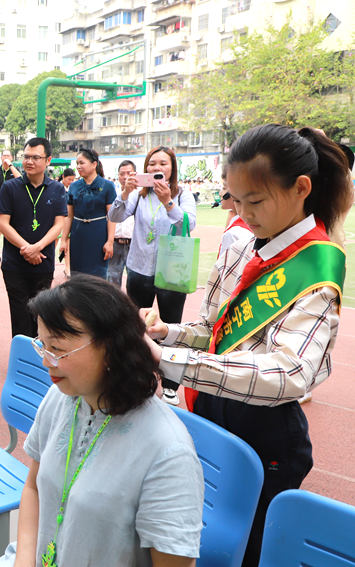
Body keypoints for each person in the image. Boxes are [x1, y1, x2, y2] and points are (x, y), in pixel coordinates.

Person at [145, 124, 350, 567]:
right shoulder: (241, 242)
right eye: (234, 200)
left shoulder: (318, 265)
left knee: (249, 550)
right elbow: (213, 330)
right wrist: (167, 332)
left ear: (301, 189)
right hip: (211, 411)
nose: (243, 213)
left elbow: (290, 374)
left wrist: (171, 360)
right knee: (196, 532)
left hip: (264, 435)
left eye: (254, 201)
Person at [0, 275, 203, 567]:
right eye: (43, 346)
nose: (46, 361)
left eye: (59, 349)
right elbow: (34, 488)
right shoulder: (62, 397)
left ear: (110, 347)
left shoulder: (167, 452)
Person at [107, 146, 196, 406]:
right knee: (136, 326)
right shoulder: (139, 194)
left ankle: (170, 386)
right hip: (139, 268)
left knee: (171, 329)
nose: (157, 169)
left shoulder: (183, 194)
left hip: (172, 272)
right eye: (152, 164)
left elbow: (187, 224)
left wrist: (168, 201)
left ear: (173, 168)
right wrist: (124, 192)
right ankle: (140, 377)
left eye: (163, 164)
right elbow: (114, 215)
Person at [0, 138, 67, 338]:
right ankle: (20, 363)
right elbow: (3, 223)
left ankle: (38, 363)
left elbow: (59, 224)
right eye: (26, 157)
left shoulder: (57, 188)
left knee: (40, 316)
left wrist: (38, 247)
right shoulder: (10, 187)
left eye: (36, 157)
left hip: (43, 263)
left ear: (48, 160)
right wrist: (27, 248)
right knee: (19, 316)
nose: (29, 161)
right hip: (14, 264)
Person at [62, 148, 117, 279]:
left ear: (94, 164)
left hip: (98, 234)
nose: (78, 166)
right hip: (78, 234)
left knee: (97, 277)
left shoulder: (107, 186)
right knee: (77, 276)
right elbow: (69, 216)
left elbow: (111, 216)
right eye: (77, 163)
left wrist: (110, 241)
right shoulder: (74, 186)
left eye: (82, 163)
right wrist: (63, 239)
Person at [0, 149, 21, 263]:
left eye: (8, 155)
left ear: (11, 158)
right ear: (0, 158)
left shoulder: (14, 170)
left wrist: (10, 165)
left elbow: (20, 179)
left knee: (12, 231)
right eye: (4, 155)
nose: (5, 157)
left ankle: (12, 253)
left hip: (13, 206)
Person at [107, 160, 136, 287]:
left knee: (135, 282)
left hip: (134, 245)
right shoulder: (112, 193)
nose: (125, 177)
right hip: (115, 244)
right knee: (112, 282)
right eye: (121, 174)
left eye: (129, 173)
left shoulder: (141, 194)